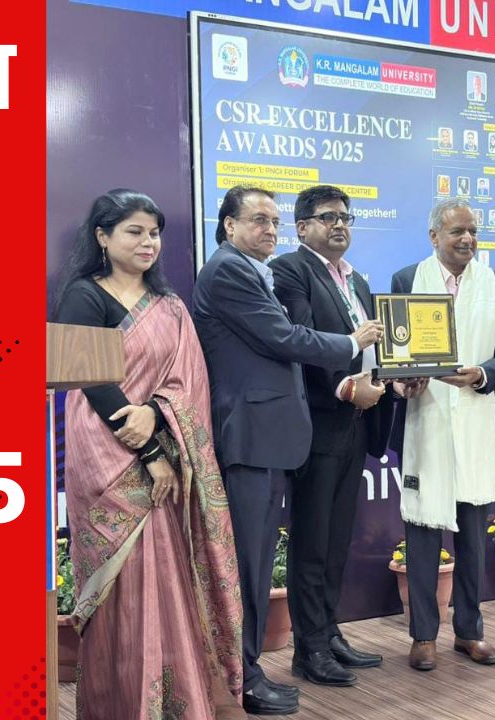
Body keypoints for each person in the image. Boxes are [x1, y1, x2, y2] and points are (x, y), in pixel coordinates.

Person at [53, 189, 244, 718]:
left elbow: (187, 385)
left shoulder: (170, 306)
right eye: (134, 231)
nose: (148, 242)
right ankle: (122, 704)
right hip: (105, 455)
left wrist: (156, 417)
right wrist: (152, 453)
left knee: (166, 574)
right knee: (126, 584)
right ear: (103, 236)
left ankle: (176, 701)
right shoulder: (83, 296)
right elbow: (92, 381)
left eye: (154, 233)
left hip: (158, 439)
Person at [192, 185, 383, 715]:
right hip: (251, 436)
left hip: (272, 435)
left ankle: (249, 669)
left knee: (258, 563)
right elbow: (284, 337)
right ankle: (245, 675)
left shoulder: (253, 270)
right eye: (260, 220)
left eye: (274, 221)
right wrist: (352, 343)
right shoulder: (229, 271)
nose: (270, 230)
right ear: (229, 225)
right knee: (250, 566)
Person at [387, 198, 495, 671]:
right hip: (423, 421)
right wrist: (405, 381)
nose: (467, 239)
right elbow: (395, 354)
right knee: (423, 533)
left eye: (473, 231)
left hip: (475, 422)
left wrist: (483, 374)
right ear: (434, 237)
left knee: (472, 539)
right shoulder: (407, 280)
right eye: (457, 232)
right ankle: (423, 635)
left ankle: (469, 631)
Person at [269, 185, 392, 688]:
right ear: (302, 227)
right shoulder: (290, 271)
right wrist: (344, 387)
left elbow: (371, 349)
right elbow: (301, 342)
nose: (339, 225)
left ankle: (329, 631)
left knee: (338, 538)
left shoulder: (357, 280)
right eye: (327, 217)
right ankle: (309, 648)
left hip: (356, 425)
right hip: (319, 425)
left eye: (345, 217)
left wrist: (392, 379)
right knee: (312, 541)